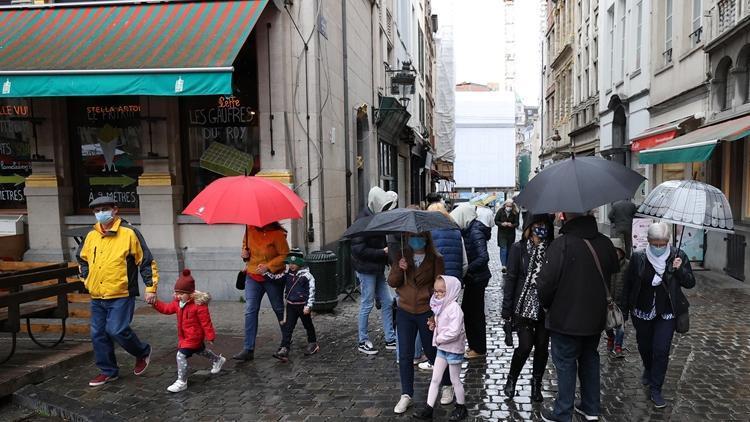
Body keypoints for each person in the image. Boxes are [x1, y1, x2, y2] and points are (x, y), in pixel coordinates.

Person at [537, 211, 619, 422]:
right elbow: (615, 268)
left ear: (565, 216)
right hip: (595, 317)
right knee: (590, 358)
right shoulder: (604, 242)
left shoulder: (561, 245)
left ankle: (563, 412)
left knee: (565, 363)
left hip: (565, 318)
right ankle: (591, 407)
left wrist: (547, 306)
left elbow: (545, 285)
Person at [76, 196, 158, 387]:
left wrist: (150, 288)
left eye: (104, 209)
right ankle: (108, 371)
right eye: (97, 210)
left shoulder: (129, 233)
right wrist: (87, 280)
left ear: (115, 210)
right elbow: (81, 259)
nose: (100, 213)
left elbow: (146, 261)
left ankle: (142, 351)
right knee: (98, 334)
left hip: (121, 293)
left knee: (116, 330)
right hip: (97, 295)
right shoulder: (91, 235)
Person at [623, 222, 695, 408]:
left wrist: (680, 270)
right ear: (648, 241)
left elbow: (690, 283)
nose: (658, 247)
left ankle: (656, 388)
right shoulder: (638, 257)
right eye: (654, 243)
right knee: (645, 347)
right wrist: (623, 311)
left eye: (662, 243)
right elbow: (628, 285)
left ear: (668, 242)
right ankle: (648, 367)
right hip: (642, 311)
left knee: (661, 350)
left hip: (667, 312)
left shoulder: (678, 256)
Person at [388, 232, 449, 415]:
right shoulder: (401, 255)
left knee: (432, 351)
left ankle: (447, 384)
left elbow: (441, 286)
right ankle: (406, 394)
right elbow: (392, 281)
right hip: (405, 311)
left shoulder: (436, 258)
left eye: (419, 237)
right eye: (412, 236)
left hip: (426, 311)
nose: (416, 240)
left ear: (426, 238)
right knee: (405, 354)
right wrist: (399, 268)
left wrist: (433, 309)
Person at [501, 214, 555, 402]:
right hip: (522, 305)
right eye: (537, 225)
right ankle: (512, 379)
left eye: (545, 225)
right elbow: (511, 278)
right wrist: (506, 310)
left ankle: (536, 385)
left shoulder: (552, 249)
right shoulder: (519, 248)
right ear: (530, 227)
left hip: (544, 306)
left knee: (541, 347)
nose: (541, 228)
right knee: (525, 346)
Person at [151, 269, 225, 392]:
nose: (178, 296)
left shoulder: (199, 305)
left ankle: (182, 381)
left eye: (181, 294)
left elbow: (206, 322)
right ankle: (218, 359)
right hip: (184, 337)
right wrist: (155, 303)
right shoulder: (178, 303)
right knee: (201, 351)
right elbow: (166, 309)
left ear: (190, 294)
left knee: (181, 355)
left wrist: (210, 336)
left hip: (194, 337)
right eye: (176, 293)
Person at [414, 276, 468, 421]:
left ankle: (461, 407)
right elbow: (442, 325)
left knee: (455, 379)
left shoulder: (455, 309)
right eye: (436, 291)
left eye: (441, 292)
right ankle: (428, 408)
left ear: (450, 292)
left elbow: (454, 331)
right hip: (442, 348)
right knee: (435, 379)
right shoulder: (441, 306)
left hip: (453, 349)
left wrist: (438, 338)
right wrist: (434, 326)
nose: (437, 294)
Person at [233, 222, 290, 361]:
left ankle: (286, 342)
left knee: (278, 309)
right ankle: (248, 349)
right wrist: (244, 255)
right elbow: (245, 251)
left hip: (272, 278)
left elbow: (285, 255)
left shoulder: (277, 234)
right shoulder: (249, 230)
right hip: (252, 276)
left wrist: (269, 266)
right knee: (250, 310)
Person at [351, 187, 398, 355]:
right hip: (366, 268)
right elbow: (358, 250)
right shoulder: (362, 220)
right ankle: (362, 341)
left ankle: (390, 338)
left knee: (387, 301)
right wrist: (382, 253)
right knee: (367, 303)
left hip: (376, 267)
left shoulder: (375, 216)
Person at [263, 248, 320, 360]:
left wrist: (308, 306)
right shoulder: (287, 274)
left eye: (294, 263)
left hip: (302, 306)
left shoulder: (306, 276)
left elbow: (311, 291)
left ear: (300, 263)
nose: (292, 265)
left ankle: (313, 343)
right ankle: (284, 347)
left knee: (307, 325)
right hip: (291, 306)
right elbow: (276, 279)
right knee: (288, 327)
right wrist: (265, 273)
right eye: (290, 263)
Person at [451, 204, 491, 359]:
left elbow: (483, 257)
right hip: (474, 278)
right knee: (470, 312)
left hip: (477, 278)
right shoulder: (469, 230)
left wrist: (467, 269)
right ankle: (475, 346)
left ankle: (479, 348)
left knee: (474, 313)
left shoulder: (475, 232)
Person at [427, 202, 467, 282]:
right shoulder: (457, 233)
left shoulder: (428, 234)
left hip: (434, 280)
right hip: (453, 280)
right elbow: (465, 263)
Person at [606, 237, 630, 358]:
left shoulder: (627, 265)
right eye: (613, 251)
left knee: (621, 326)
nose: (616, 253)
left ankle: (618, 346)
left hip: (622, 301)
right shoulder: (606, 265)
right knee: (608, 324)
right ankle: (611, 338)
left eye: (618, 251)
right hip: (608, 301)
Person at [495, 199, 520, 272]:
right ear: (505, 205)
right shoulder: (500, 211)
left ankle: (508, 264)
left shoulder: (515, 212)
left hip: (511, 234)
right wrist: (502, 224)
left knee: (509, 249)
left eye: (510, 206)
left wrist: (511, 225)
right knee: (503, 249)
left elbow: (517, 223)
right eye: (507, 206)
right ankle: (503, 265)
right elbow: (496, 220)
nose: (509, 207)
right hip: (502, 233)